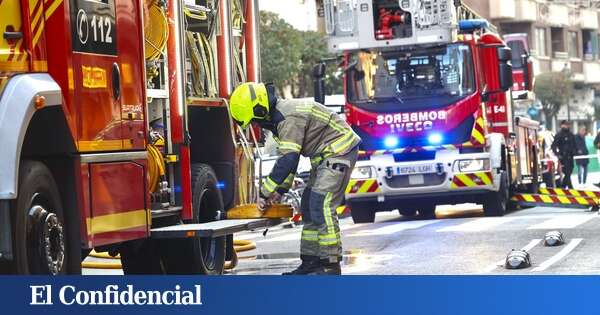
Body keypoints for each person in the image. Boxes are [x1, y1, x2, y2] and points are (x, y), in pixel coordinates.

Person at [229, 82, 361, 275]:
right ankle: (311, 262)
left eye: (255, 120)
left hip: (339, 151)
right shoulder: (279, 118)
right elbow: (291, 158)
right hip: (325, 157)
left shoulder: (287, 117)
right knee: (308, 206)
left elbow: (288, 160)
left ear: (260, 109)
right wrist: (280, 191)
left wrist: (265, 193)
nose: (257, 125)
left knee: (321, 205)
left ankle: (330, 264)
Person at [552, 121, 577, 189]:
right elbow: (553, 146)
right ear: (561, 126)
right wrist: (558, 155)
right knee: (567, 172)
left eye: (567, 125)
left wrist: (575, 151)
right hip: (563, 157)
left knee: (569, 171)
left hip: (570, 156)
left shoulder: (571, 135)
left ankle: (562, 187)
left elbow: (575, 144)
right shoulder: (559, 135)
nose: (566, 126)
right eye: (565, 125)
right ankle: (570, 188)